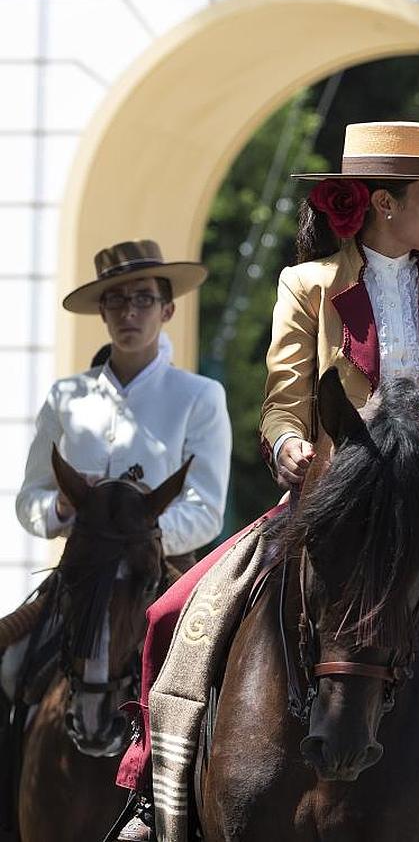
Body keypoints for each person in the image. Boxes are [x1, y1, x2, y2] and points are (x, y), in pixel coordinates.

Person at [112, 123, 419, 842]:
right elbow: (282, 399)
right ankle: (154, 804)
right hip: (326, 504)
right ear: (385, 204)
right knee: (172, 614)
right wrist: (288, 444)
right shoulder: (307, 285)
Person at [0, 239, 232, 830]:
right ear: (102, 313)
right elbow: (30, 501)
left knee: (225, 690)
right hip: (77, 582)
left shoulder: (199, 396)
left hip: (162, 583)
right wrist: (61, 507)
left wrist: (133, 542)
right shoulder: (65, 397)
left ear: (167, 309)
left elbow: (206, 510)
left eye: (143, 300)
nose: (130, 312)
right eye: (116, 301)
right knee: (12, 667)